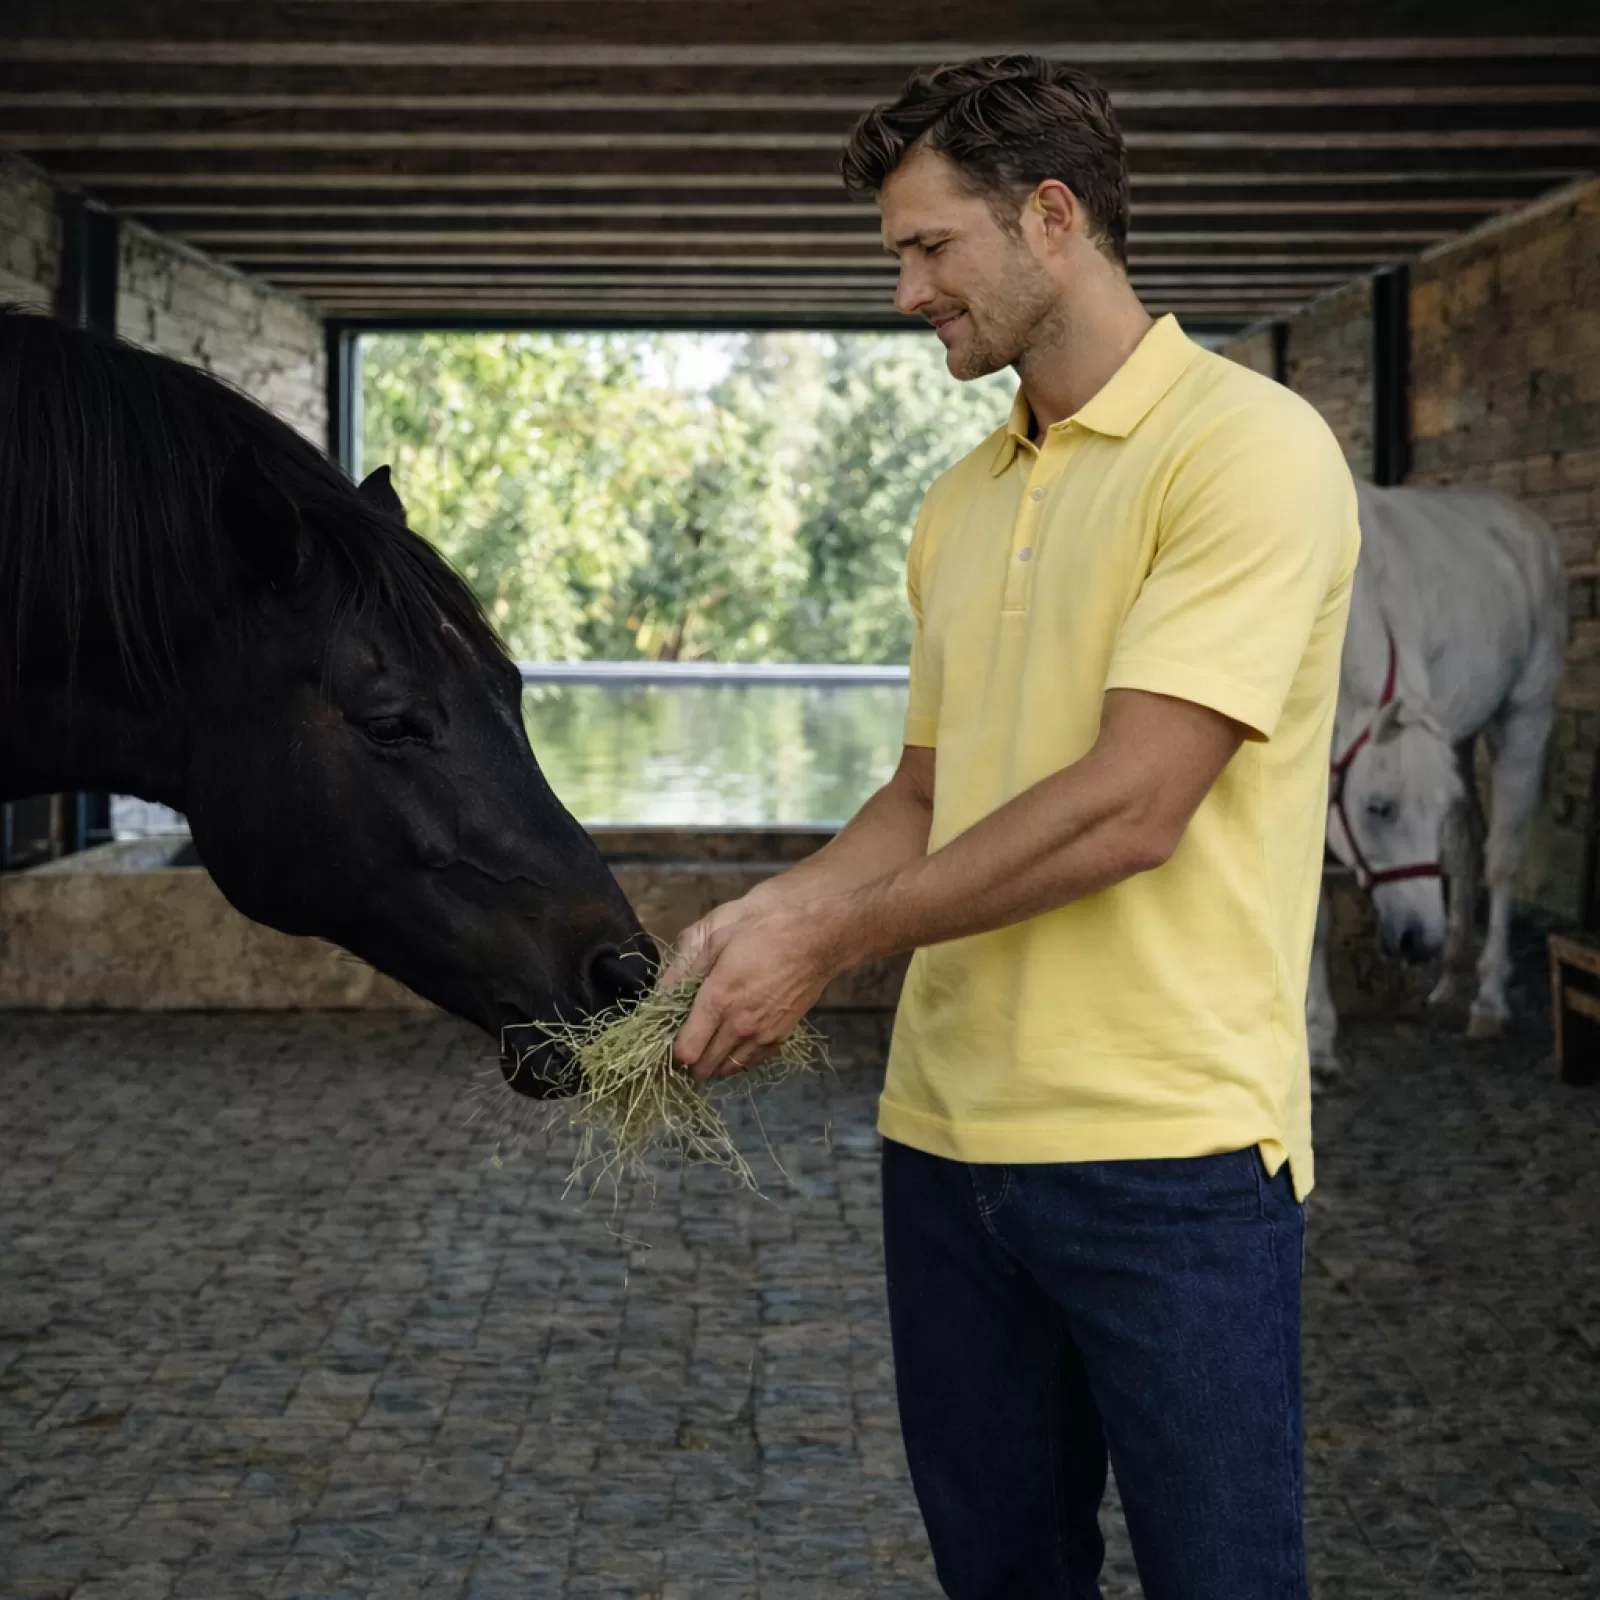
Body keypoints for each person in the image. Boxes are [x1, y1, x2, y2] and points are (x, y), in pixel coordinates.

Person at [663, 55, 1359, 1600]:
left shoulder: (1248, 451)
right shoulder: (963, 496)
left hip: (1170, 1158)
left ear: (1053, 218)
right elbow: (924, 796)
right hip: (945, 1147)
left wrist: (829, 943)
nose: (906, 291)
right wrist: (764, 919)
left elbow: (1134, 802)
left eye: (930, 248)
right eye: (897, 256)